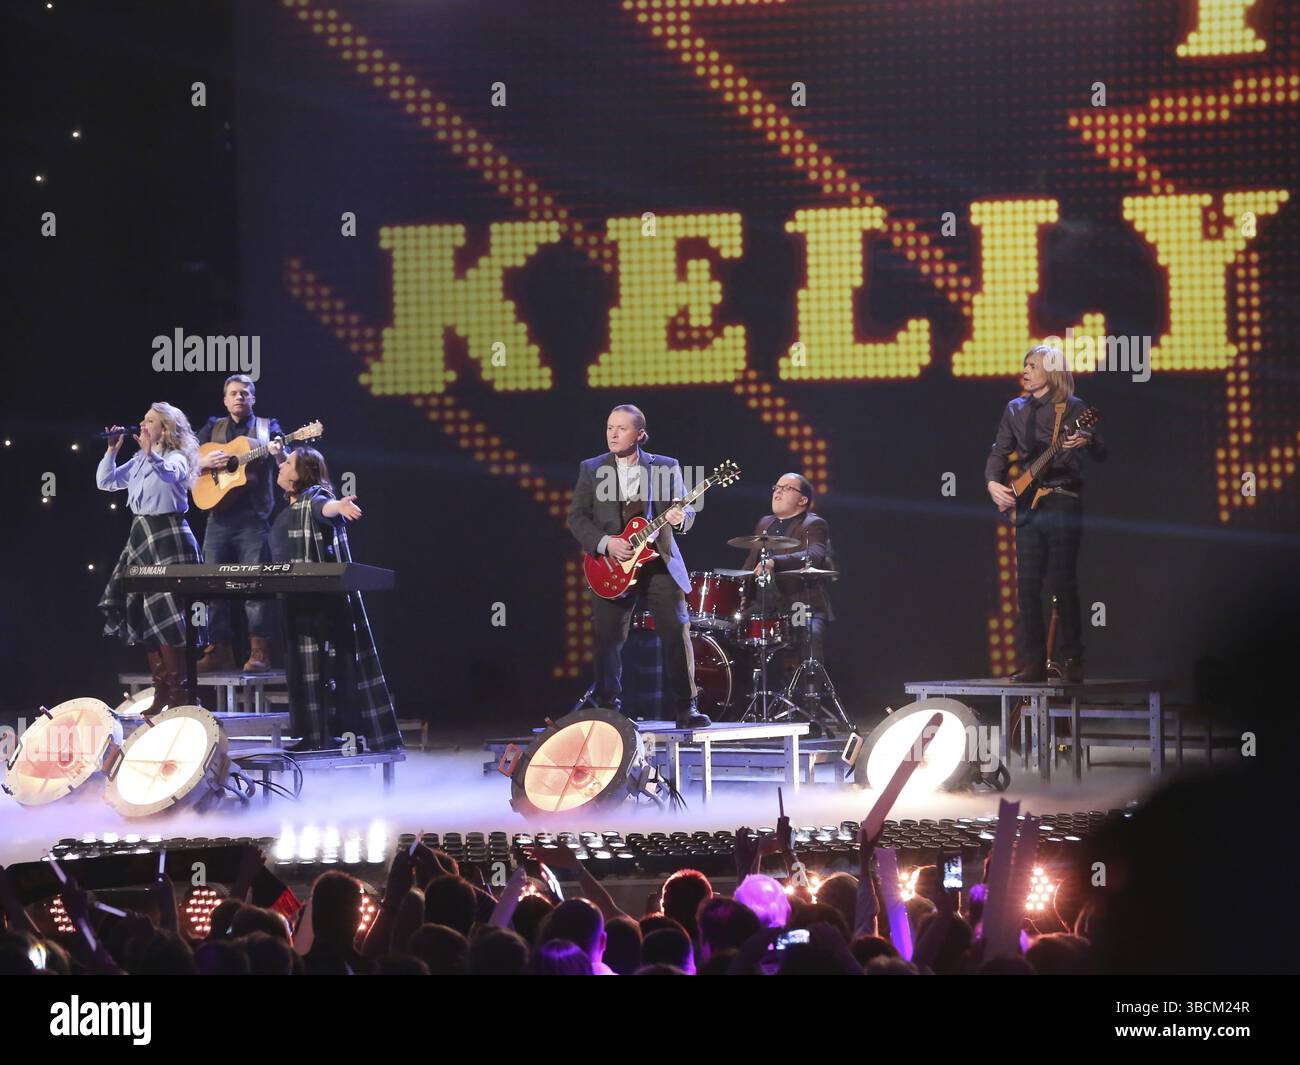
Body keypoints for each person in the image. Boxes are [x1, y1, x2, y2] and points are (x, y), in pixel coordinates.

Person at [566, 404, 709, 728]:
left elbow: (687, 515)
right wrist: (606, 543)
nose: (613, 435)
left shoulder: (665, 466)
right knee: (608, 639)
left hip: (658, 562)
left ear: (640, 434)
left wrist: (680, 517)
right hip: (610, 563)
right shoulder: (591, 468)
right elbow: (576, 517)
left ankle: (686, 708)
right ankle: (608, 710)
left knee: (676, 629)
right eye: (609, 428)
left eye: (621, 429)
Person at [985, 346, 1106, 682]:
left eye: (1033, 365)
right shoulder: (1015, 408)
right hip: (1028, 506)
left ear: (1050, 372)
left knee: (1062, 580)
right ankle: (1034, 662)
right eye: (1025, 364)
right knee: (1026, 586)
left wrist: (1087, 441)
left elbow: (1102, 452)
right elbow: (999, 451)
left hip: (1062, 501)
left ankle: (1073, 659)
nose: (1025, 370)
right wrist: (993, 483)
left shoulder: (1074, 409)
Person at [271, 447, 402, 753]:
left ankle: (324, 736)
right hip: (293, 600)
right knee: (299, 670)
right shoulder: (292, 504)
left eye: (287, 463)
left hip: (317, 604)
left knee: (320, 669)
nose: (280, 466)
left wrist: (338, 506)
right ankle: (310, 735)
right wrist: (279, 456)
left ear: (301, 473)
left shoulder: (313, 500)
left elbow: (324, 507)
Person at [97, 404, 203, 715]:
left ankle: (180, 692)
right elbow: (107, 482)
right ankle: (162, 690)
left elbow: (171, 475)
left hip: (169, 534)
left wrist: (151, 454)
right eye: (143, 419)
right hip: (141, 534)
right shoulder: (139, 458)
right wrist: (112, 451)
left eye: (150, 420)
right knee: (145, 613)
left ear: (166, 428)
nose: (142, 424)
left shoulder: (176, 456)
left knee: (168, 613)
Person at [194, 374, 287, 673]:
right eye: (233, 393)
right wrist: (206, 463)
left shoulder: (267, 427)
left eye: (245, 394)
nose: (239, 398)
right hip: (218, 517)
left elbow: (284, 462)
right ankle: (220, 649)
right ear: (225, 399)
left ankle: (259, 651)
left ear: (253, 398)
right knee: (213, 584)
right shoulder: (212, 426)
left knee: (254, 585)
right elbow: (186, 459)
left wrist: (280, 450)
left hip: (253, 519)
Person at [740, 473, 834, 665]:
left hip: (800, 604)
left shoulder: (813, 524)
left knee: (808, 637)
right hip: (766, 604)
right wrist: (741, 593)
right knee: (732, 629)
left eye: (786, 488)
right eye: (777, 487)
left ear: (803, 500)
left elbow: (814, 555)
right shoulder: (764, 523)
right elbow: (751, 563)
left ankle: (810, 693)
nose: (778, 492)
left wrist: (775, 562)